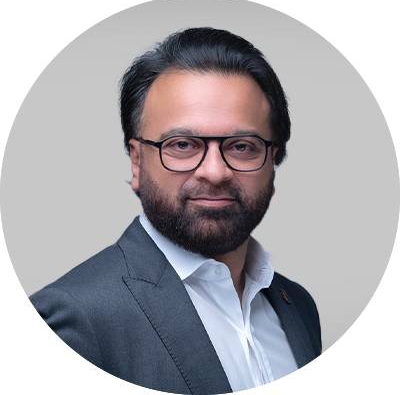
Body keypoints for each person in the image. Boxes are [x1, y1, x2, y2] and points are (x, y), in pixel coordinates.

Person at [30, 27, 322, 394]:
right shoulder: (73, 319)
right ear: (137, 162)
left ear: (272, 162)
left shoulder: (297, 306)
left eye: (242, 146)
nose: (214, 172)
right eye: (182, 144)